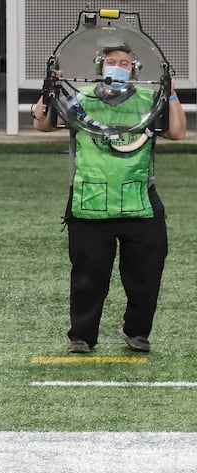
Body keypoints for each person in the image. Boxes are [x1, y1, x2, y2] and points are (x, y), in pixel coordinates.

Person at [33, 41, 186, 353]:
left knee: (146, 276)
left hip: (140, 201)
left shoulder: (149, 99)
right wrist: (49, 89)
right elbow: (43, 124)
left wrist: (170, 92)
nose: (119, 66)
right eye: (113, 61)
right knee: (88, 277)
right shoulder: (80, 100)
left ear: (135, 69)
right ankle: (81, 336)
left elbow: (176, 132)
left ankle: (137, 332)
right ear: (100, 66)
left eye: (126, 63)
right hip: (90, 203)